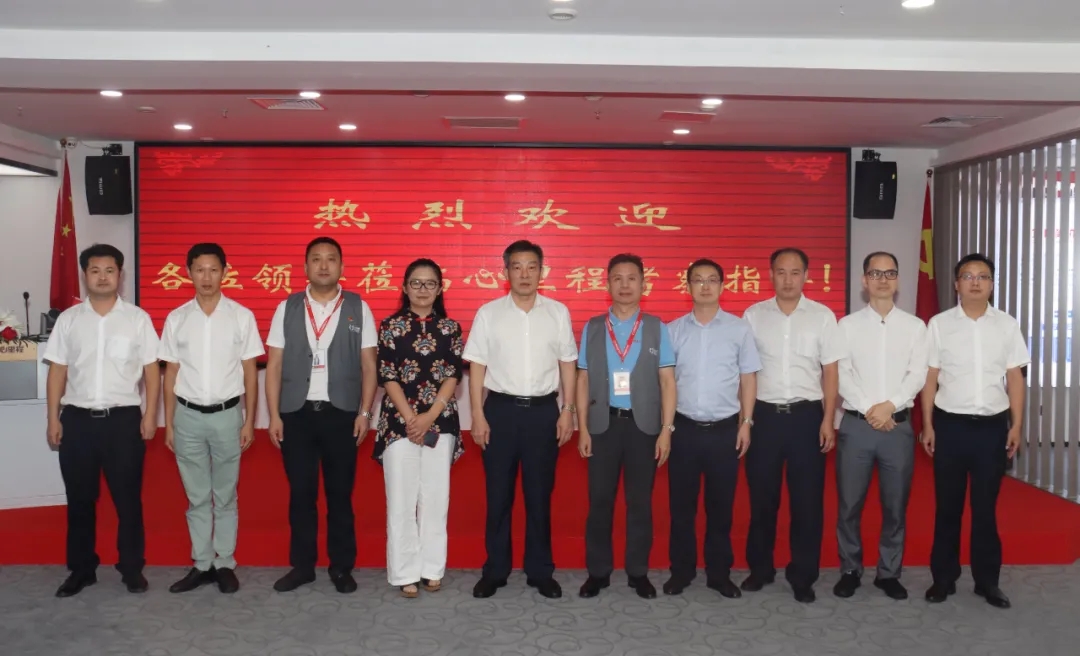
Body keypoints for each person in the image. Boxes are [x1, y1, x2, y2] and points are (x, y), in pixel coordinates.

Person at [463, 239, 578, 599]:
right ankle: (495, 570)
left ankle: (540, 571)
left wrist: (568, 410)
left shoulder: (557, 312)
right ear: (506, 271)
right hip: (500, 412)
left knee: (539, 496)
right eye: (517, 266)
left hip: (544, 412)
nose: (525, 274)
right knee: (498, 495)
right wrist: (477, 414)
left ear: (542, 271)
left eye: (532, 267)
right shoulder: (489, 313)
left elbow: (568, 364)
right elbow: (477, 366)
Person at [44, 243, 160, 598]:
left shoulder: (137, 319)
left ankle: (131, 568)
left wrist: (150, 414)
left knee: (128, 499)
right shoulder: (69, 320)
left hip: (122, 421)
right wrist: (53, 419)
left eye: (110, 271)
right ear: (85, 275)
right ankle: (82, 570)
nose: (103, 277)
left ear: (120, 275)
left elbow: (151, 371)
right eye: (95, 271)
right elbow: (57, 371)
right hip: (77, 420)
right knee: (79, 500)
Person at [264, 236, 377, 594]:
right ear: (305, 267)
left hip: (341, 414)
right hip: (296, 414)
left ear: (342, 266)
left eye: (331, 259)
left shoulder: (358, 307)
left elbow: (369, 366)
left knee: (340, 495)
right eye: (316, 259)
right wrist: (274, 415)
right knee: (301, 494)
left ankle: (341, 567)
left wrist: (365, 412)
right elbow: (274, 365)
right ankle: (302, 567)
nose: (324, 265)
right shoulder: (287, 307)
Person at [922, 253, 1028, 609]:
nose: (975, 282)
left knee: (985, 509)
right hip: (950, 426)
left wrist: (1016, 424)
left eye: (983, 276)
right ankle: (943, 579)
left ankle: (987, 582)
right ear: (957, 284)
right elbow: (931, 376)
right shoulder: (939, 324)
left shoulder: (1007, 325)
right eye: (968, 276)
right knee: (947, 508)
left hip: (991, 429)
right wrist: (927, 424)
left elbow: (1015, 377)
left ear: (992, 284)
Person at [159, 243, 264, 594]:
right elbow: (170, 375)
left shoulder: (241, 316)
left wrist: (249, 420)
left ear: (225, 272)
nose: (206, 277)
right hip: (187, 417)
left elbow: (250, 373)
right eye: (199, 269)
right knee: (197, 496)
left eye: (213, 269)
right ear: (188, 272)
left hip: (227, 416)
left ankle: (225, 562)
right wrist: (169, 422)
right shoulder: (177, 318)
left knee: (226, 494)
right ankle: (201, 563)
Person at [741, 247, 842, 603]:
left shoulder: (822, 316)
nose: (788, 279)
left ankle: (803, 576)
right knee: (762, 499)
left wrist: (828, 419)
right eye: (781, 272)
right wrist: (745, 420)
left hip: (806, 417)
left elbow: (831, 372)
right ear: (770, 275)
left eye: (795, 272)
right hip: (765, 417)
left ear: (806, 276)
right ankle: (760, 569)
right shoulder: (753, 316)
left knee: (807, 502)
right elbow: (746, 373)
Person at [576, 253, 676, 600]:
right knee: (599, 502)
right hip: (602, 426)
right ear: (607, 284)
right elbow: (583, 380)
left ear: (643, 285)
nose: (624, 285)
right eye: (617, 278)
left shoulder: (657, 327)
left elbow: (667, 381)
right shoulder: (593, 327)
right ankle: (598, 573)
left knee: (640, 504)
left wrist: (666, 429)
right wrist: (582, 428)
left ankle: (638, 573)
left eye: (632, 278)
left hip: (643, 428)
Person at [833, 252, 928, 601]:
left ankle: (889, 573)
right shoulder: (846, 326)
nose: (883, 279)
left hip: (897, 428)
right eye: (875, 273)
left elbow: (917, 374)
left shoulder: (915, 327)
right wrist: (870, 409)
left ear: (897, 279)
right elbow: (841, 373)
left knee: (895, 505)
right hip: (857, 426)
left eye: (890, 273)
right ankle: (850, 569)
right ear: (864, 280)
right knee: (849, 504)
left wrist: (890, 406)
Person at [663, 258, 759, 598]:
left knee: (721, 508)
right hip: (684, 430)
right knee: (681, 508)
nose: (705, 286)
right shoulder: (672, 330)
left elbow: (748, 378)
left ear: (722, 285)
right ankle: (681, 571)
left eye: (712, 280)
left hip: (724, 431)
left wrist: (746, 422)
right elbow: (666, 382)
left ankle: (719, 574)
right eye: (698, 280)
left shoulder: (739, 329)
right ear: (687, 286)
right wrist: (666, 428)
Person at [374, 259, 465, 598]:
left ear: (440, 289)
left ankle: (431, 569)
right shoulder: (390, 326)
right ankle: (404, 572)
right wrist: (411, 417)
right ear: (404, 288)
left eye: (430, 283)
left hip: (440, 421)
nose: (423, 289)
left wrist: (430, 415)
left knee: (435, 498)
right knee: (401, 500)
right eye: (416, 283)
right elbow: (388, 375)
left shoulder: (451, 328)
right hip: (399, 422)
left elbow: (453, 375)